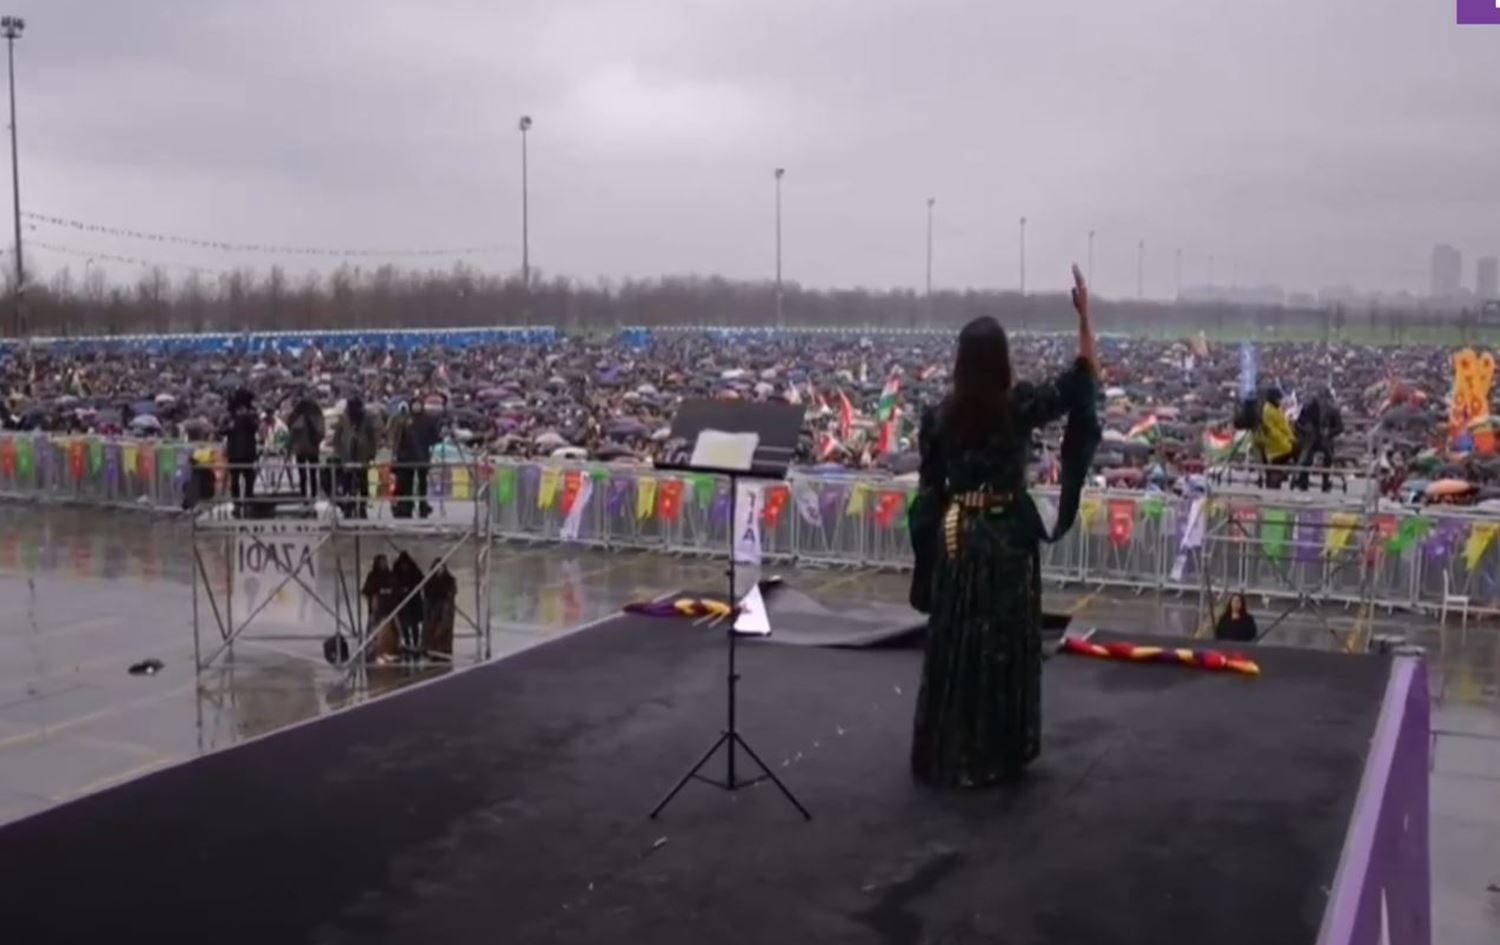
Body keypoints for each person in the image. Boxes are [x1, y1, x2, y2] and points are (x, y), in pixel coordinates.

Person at [907, 265, 1100, 788]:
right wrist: (1085, 318)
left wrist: (927, 553)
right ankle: (998, 750)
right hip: (1007, 541)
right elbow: (1083, 378)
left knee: (957, 643)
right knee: (1003, 646)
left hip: (956, 540)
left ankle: (951, 749)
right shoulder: (1018, 406)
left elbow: (929, 491)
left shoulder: (938, 417)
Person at [333, 396, 379, 518]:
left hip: (362, 457)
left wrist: (372, 453)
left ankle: (362, 506)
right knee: (347, 483)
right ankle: (349, 507)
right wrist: (339, 453)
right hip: (347, 457)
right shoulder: (343, 419)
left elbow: (372, 438)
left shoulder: (366, 419)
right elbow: (337, 438)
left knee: (363, 483)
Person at [1293, 386, 1343, 493]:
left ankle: (1325, 481)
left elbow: (1339, 427)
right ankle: (1303, 481)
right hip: (1311, 439)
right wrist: (1305, 432)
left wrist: (1329, 433)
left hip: (1325, 440)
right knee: (1306, 457)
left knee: (1328, 458)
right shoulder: (1308, 408)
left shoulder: (1333, 409)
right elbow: (1298, 424)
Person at [221, 388, 260, 518]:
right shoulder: (230, 415)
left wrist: (248, 417)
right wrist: (229, 427)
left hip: (247, 451)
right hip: (236, 451)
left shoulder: (251, 414)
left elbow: (256, 427)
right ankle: (237, 503)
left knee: (249, 478)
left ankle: (248, 501)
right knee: (235, 479)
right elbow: (221, 430)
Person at [287, 396, 325, 502]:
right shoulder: (316, 416)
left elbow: (292, 432)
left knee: (304, 475)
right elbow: (321, 433)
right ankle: (312, 495)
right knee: (312, 474)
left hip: (302, 450)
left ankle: (305, 496)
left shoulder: (298, 417)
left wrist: (290, 448)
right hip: (311, 449)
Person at [1255, 387, 1296, 489]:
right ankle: (1280, 478)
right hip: (1272, 444)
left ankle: (1277, 480)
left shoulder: (1276, 409)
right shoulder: (1268, 410)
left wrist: (1290, 436)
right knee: (1275, 465)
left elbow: (1283, 426)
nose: (1280, 400)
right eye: (1278, 398)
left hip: (1278, 443)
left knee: (1274, 467)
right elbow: (1271, 430)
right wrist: (1287, 440)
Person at [362, 555, 399, 663]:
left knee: (393, 629)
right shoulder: (372, 576)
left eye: (385, 562)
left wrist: (390, 592)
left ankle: (393, 649)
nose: (384, 564)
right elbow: (366, 590)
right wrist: (378, 592)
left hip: (390, 608)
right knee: (373, 629)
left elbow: (397, 589)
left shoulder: (391, 575)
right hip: (376, 609)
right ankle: (370, 650)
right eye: (382, 562)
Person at [391, 551, 426, 659]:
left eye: (406, 564)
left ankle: (415, 644)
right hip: (402, 601)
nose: (404, 566)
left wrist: (411, 588)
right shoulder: (396, 571)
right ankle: (407, 644)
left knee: (414, 625)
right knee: (404, 625)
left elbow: (421, 580)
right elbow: (393, 584)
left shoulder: (415, 570)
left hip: (413, 601)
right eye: (403, 565)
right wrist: (400, 590)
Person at [423, 559, 458, 660]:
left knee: (444, 629)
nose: (439, 569)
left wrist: (447, 598)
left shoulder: (450, 579)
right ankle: (432, 650)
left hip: (445, 608)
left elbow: (453, 592)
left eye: (441, 567)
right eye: (437, 567)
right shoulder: (429, 579)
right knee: (432, 629)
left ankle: (444, 650)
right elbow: (426, 593)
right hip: (433, 608)